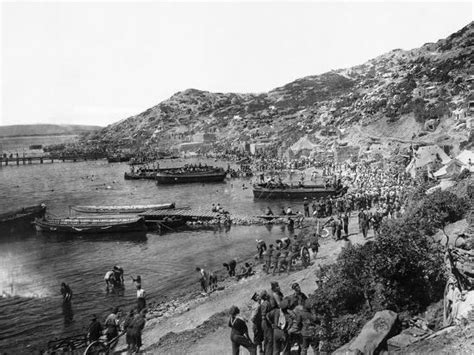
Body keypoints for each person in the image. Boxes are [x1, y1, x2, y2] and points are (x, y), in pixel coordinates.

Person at [260, 290, 274, 355]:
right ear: (265, 296)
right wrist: (271, 323)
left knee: (266, 339)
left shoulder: (263, 303)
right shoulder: (266, 303)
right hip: (267, 323)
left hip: (264, 323)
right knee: (270, 340)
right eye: (266, 294)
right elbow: (265, 315)